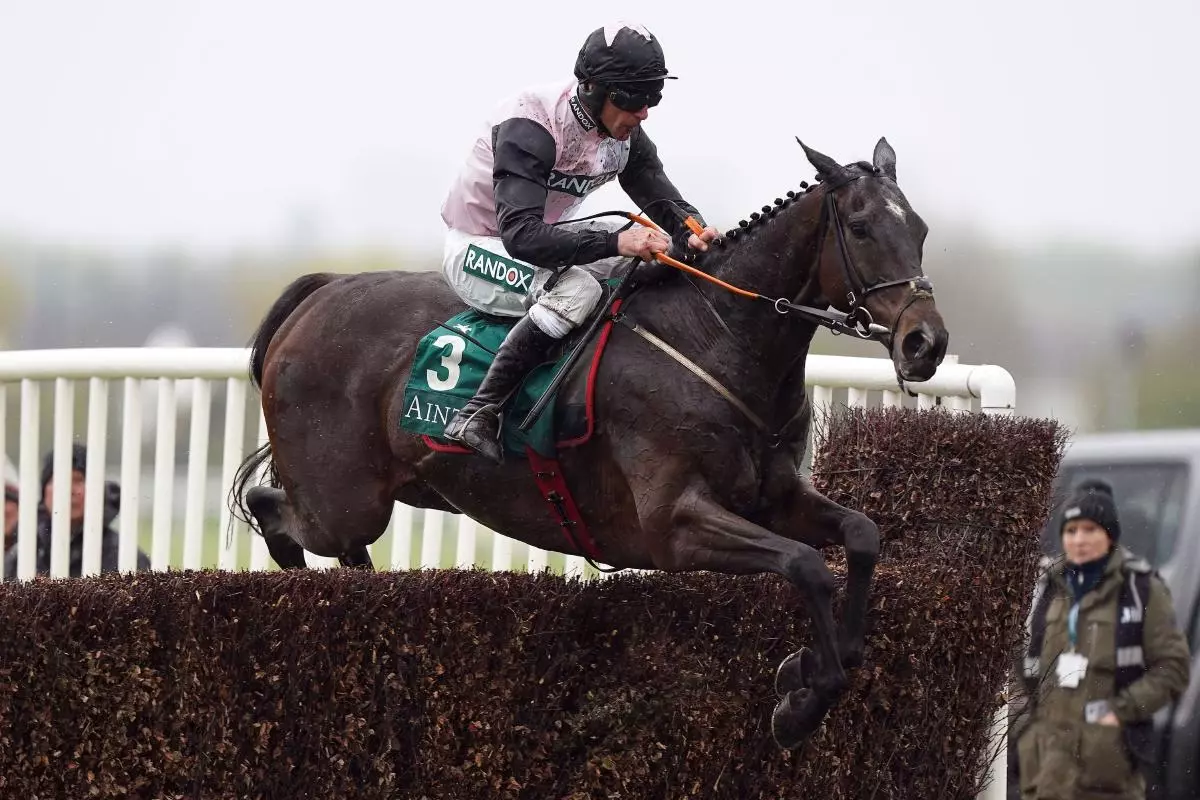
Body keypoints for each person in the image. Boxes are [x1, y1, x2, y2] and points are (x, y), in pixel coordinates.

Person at [438, 21, 720, 463]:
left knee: (657, 258)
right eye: (634, 99)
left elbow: (664, 198)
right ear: (593, 89)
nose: (645, 112)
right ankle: (478, 411)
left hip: (542, 241)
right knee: (580, 289)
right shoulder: (530, 124)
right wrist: (618, 243)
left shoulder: (622, 136)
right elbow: (521, 236)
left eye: (653, 98)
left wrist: (693, 229)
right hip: (480, 246)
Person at [1016, 479, 1189, 799]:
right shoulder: (1048, 585)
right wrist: (1027, 723)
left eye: (1090, 529)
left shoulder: (1141, 588)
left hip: (1108, 772)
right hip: (1045, 772)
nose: (1079, 539)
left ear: (1109, 535)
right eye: (1071, 530)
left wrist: (1119, 711)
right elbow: (1025, 664)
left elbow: (1174, 668)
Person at [1, 444, 150, 579]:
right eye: (58, 480)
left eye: (78, 480)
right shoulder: (21, 555)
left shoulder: (126, 557)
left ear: (97, 490)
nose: (68, 490)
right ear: (44, 492)